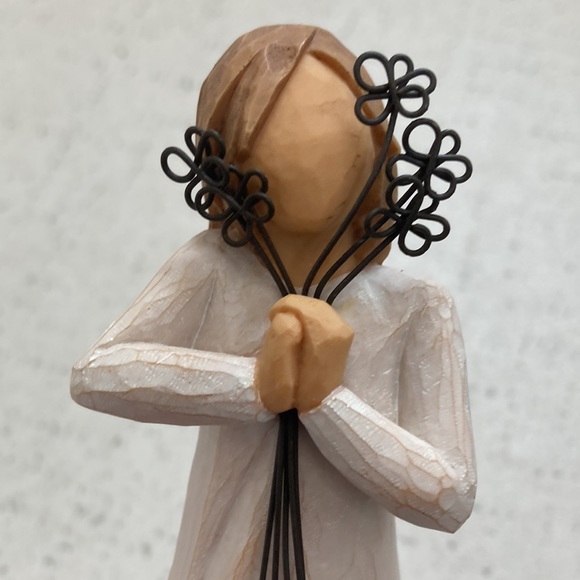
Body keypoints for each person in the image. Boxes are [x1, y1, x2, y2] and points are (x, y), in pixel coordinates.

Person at [71, 25, 476, 580]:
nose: (314, 153)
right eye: (284, 131)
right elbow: (97, 373)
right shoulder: (214, 267)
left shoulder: (416, 307)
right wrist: (255, 383)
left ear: (374, 146)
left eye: (333, 131)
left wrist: (327, 403)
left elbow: (450, 494)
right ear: (229, 156)